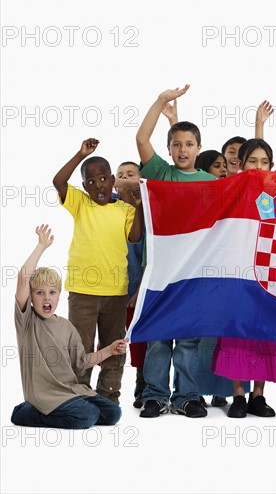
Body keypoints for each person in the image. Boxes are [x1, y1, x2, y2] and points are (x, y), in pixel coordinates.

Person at [136, 85, 216, 418]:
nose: (182, 149)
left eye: (188, 144)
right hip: (159, 270)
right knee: (157, 336)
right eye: (176, 144)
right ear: (169, 149)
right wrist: (159, 102)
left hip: (192, 273)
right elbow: (141, 140)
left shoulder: (211, 184)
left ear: (199, 148)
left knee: (188, 339)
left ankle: (187, 396)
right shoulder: (161, 173)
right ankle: (155, 394)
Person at [52, 139, 143, 404]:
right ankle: (79, 393)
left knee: (114, 346)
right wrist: (80, 154)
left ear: (112, 180)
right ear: (83, 187)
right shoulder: (81, 204)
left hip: (115, 292)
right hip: (82, 292)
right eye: (90, 182)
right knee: (81, 346)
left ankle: (108, 396)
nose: (97, 186)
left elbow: (135, 238)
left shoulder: (124, 209)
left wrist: (137, 207)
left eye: (103, 179)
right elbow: (58, 182)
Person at [11, 225, 128, 429]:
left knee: (113, 413)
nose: (47, 298)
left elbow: (81, 362)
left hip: (71, 391)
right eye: (39, 293)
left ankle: (73, 409)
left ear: (59, 295)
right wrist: (41, 247)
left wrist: (109, 350)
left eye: (52, 292)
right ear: (31, 297)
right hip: (45, 396)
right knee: (87, 416)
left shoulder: (66, 326)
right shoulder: (27, 321)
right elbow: (23, 279)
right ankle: (28, 413)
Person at [211, 138, 276, 418]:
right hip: (236, 273)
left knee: (266, 333)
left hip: (269, 272)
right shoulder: (229, 189)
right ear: (240, 164)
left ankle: (259, 395)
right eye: (253, 161)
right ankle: (238, 395)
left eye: (265, 162)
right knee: (238, 333)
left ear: (272, 165)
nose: (259, 167)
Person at [115, 161, 146, 409]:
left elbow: (149, 254)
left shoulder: (148, 210)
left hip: (138, 289)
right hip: (111, 288)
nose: (124, 179)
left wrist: (139, 289)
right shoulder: (109, 205)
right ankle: (108, 387)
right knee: (111, 339)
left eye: (130, 175)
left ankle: (142, 381)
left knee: (139, 340)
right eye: (120, 175)